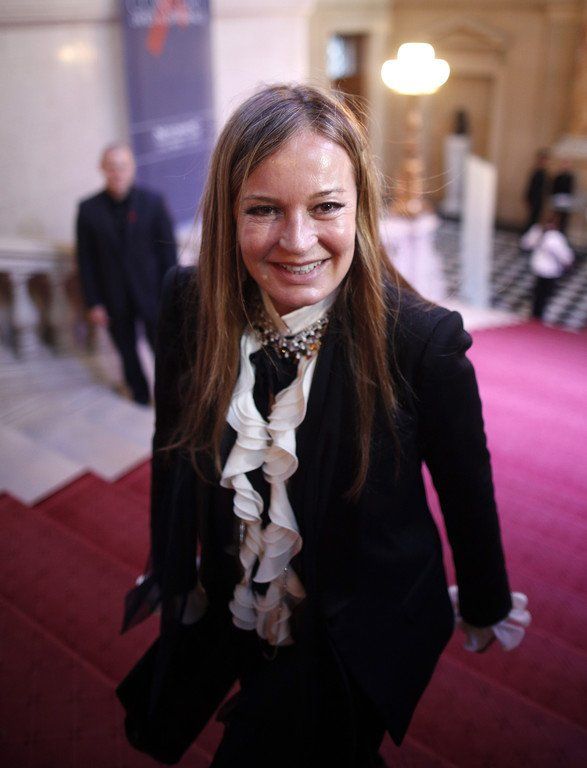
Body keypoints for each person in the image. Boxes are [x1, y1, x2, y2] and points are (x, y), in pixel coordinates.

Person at [117, 85, 529, 767]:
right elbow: (171, 446)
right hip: (237, 603)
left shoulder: (421, 342)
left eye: (325, 206)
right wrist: (172, 564)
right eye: (263, 210)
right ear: (227, 214)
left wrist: (485, 601)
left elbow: (466, 488)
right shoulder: (188, 303)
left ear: (360, 208)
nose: (297, 241)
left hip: (356, 631)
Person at [76, 143, 177, 404]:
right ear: (102, 169)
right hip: (113, 297)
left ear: (132, 168)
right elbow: (85, 260)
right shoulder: (88, 209)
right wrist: (93, 302)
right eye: (111, 167)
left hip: (152, 293)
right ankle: (140, 395)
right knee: (127, 351)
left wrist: (172, 292)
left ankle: (171, 398)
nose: (117, 173)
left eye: (122, 166)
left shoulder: (153, 202)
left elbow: (168, 253)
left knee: (165, 351)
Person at [520, 212, 574, 321]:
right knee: (542, 295)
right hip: (547, 269)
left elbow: (525, 244)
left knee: (540, 294)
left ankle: (536, 315)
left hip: (544, 269)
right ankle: (537, 316)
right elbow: (564, 255)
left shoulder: (544, 233)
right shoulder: (551, 236)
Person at [523, 148, 550, 232]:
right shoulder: (536, 171)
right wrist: (527, 198)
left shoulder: (545, 173)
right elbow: (531, 186)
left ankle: (533, 234)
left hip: (540, 200)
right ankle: (528, 233)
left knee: (537, 218)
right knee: (532, 218)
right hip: (533, 198)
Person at [550, 159, 576, 234]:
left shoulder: (570, 177)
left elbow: (571, 189)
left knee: (564, 217)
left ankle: (562, 232)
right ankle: (553, 231)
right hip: (557, 198)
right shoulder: (558, 176)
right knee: (556, 215)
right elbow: (554, 188)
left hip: (566, 199)